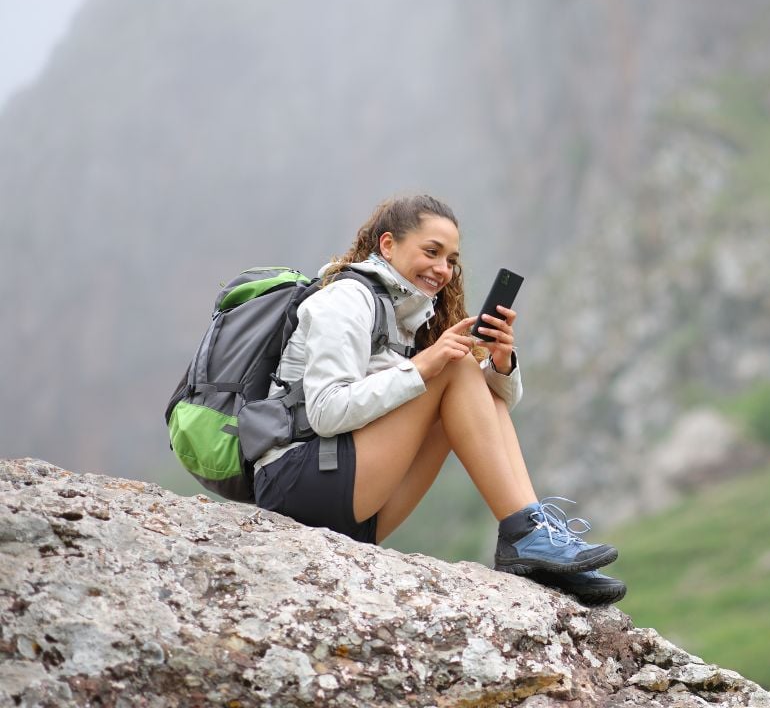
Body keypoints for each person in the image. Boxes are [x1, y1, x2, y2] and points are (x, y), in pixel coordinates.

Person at [251, 193, 625, 605]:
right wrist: (422, 367)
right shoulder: (345, 299)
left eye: (451, 260)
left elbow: (483, 411)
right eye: (432, 252)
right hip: (299, 484)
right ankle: (524, 534)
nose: (443, 269)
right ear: (388, 245)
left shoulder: (409, 316)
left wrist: (501, 364)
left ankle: (534, 534)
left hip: (358, 512)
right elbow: (326, 411)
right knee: (454, 366)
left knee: (468, 374)